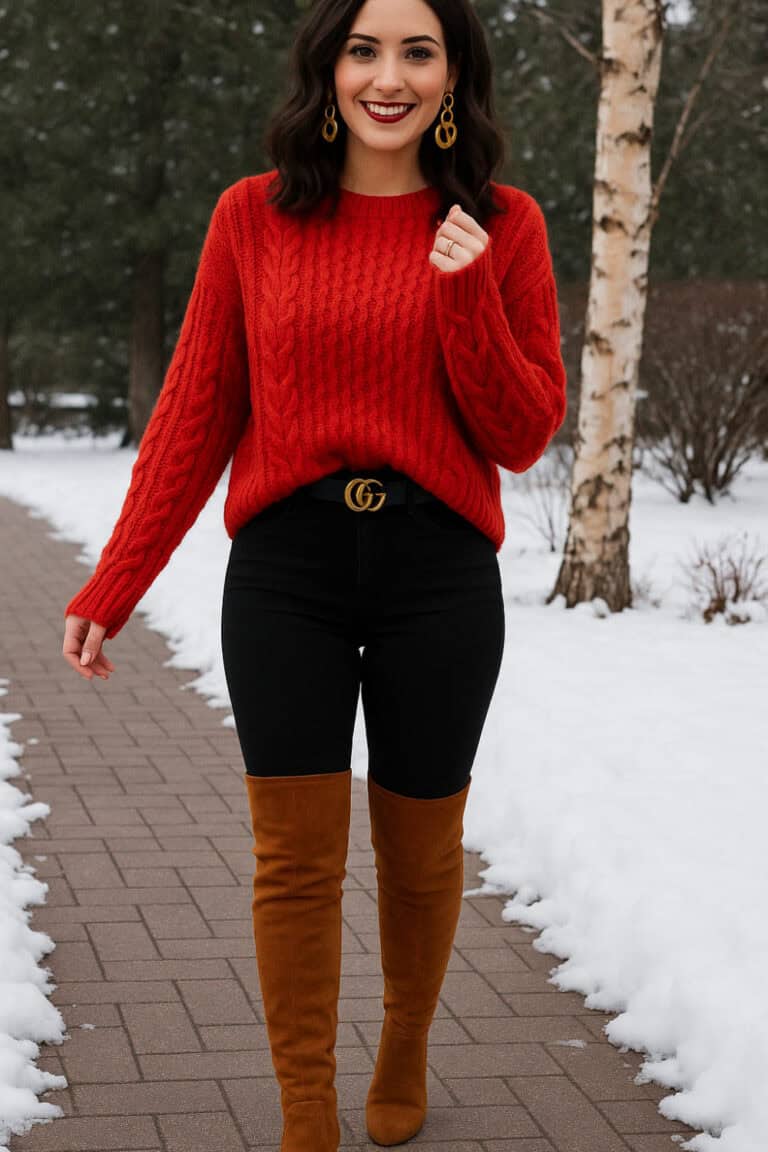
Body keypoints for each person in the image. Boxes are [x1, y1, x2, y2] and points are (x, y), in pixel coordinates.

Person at [62, 0, 567, 1147]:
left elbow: (524, 431)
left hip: (438, 571)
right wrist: (113, 585)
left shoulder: (503, 223)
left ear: (453, 76)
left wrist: (465, 290)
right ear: (328, 67)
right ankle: (304, 1109)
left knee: (419, 848)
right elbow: (196, 412)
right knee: (294, 858)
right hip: (285, 568)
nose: (388, 78)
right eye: (363, 50)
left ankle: (403, 1046)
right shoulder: (254, 217)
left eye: (417, 52)